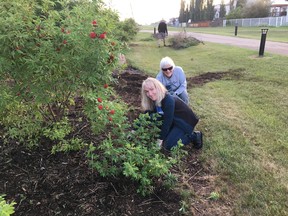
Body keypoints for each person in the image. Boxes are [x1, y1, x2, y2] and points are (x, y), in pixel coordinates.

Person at [141, 77, 203, 151]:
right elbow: (147, 114)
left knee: (168, 146)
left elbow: (167, 122)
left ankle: (194, 136)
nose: (150, 94)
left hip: (184, 122)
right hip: (175, 120)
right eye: (147, 91)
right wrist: (135, 129)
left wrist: (160, 140)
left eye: (152, 89)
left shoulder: (168, 100)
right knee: (154, 118)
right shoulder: (154, 99)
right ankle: (173, 134)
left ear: (158, 88)